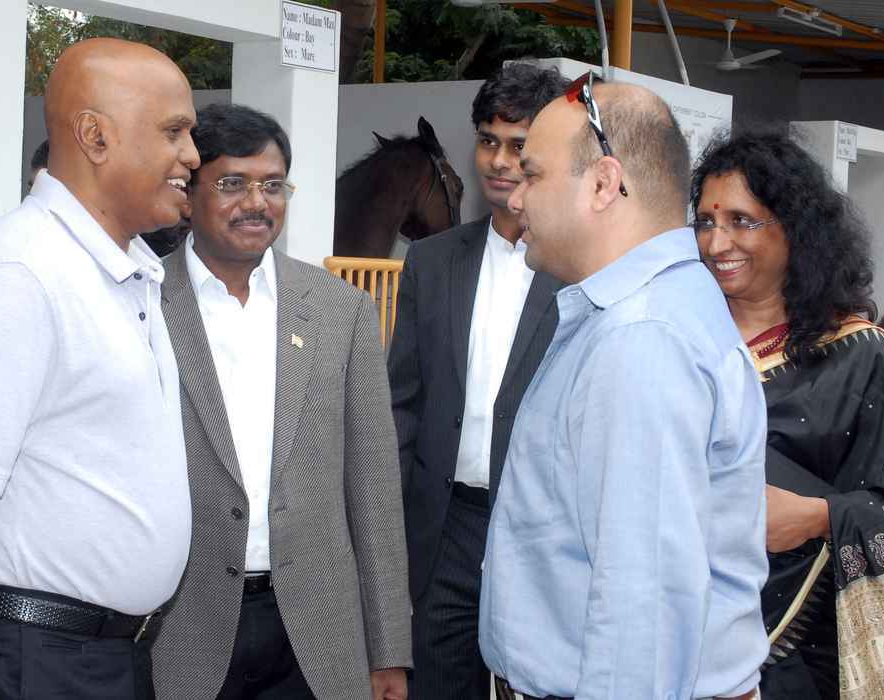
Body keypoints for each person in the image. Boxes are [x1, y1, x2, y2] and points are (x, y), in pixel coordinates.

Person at [0, 38, 198, 700]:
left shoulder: (124, 270)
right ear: (95, 136)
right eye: (174, 132)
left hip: (95, 658)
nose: (192, 156)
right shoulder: (22, 272)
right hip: (27, 663)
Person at [478, 76, 769, 700]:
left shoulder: (642, 338)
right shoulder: (639, 313)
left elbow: (643, 607)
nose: (516, 198)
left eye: (533, 175)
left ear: (603, 184)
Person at [151, 103, 410, 700]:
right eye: (232, 184)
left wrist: (388, 650)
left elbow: (373, 489)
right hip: (181, 630)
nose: (257, 203)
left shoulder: (340, 310)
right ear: (189, 194)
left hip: (316, 635)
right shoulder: (143, 301)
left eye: (272, 185)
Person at [692, 131, 884, 699]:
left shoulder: (856, 352)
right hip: (670, 630)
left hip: (798, 648)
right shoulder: (678, 336)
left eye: (741, 220)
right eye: (705, 221)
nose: (716, 242)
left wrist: (817, 515)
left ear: (796, 230)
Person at [388, 62, 567, 700]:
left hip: (544, 533)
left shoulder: (582, 272)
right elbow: (401, 406)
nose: (498, 160)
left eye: (518, 145)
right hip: (446, 530)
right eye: (488, 141)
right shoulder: (432, 261)